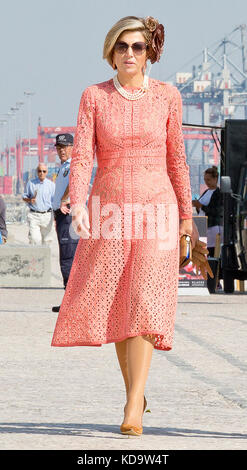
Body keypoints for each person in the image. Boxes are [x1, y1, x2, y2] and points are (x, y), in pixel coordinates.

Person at [51, 16, 195, 436]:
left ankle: (133, 405)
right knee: (120, 303)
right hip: (110, 208)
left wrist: (186, 215)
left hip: (158, 208)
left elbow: (177, 159)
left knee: (144, 298)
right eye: (121, 47)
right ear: (110, 52)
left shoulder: (168, 97)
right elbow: (81, 157)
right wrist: (78, 203)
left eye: (136, 46)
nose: (129, 54)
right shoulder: (93, 97)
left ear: (149, 51)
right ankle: (136, 390)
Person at [52, 134, 79, 312]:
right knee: (66, 258)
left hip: (68, 213)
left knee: (68, 259)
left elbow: (75, 182)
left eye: (65, 147)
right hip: (62, 216)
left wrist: (63, 199)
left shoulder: (73, 165)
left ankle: (71, 304)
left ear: (72, 147)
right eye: (59, 147)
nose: (61, 150)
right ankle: (70, 301)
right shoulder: (63, 167)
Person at [192, 166, 223, 257]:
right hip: (203, 225)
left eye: (208, 180)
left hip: (212, 226)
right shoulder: (206, 192)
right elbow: (201, 210)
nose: (206, 182)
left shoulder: (218, 193)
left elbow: (217, 210)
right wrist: (197, 206)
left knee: (211, 251)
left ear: (215, 179)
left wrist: (201, 206)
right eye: (205, 180)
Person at [22, 163, 55, 245]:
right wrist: (30, 200)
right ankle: (35, 257)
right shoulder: (31, 183)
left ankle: (44, 258)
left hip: (47, 216)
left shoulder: (51, 185)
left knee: (47, 241)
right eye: (40, 171)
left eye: (44, 171)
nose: (42, 173)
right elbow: (24, 196)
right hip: (34, 215)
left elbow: (55, 201)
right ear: (37, 172)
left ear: (47, 172)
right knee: (34, 239)